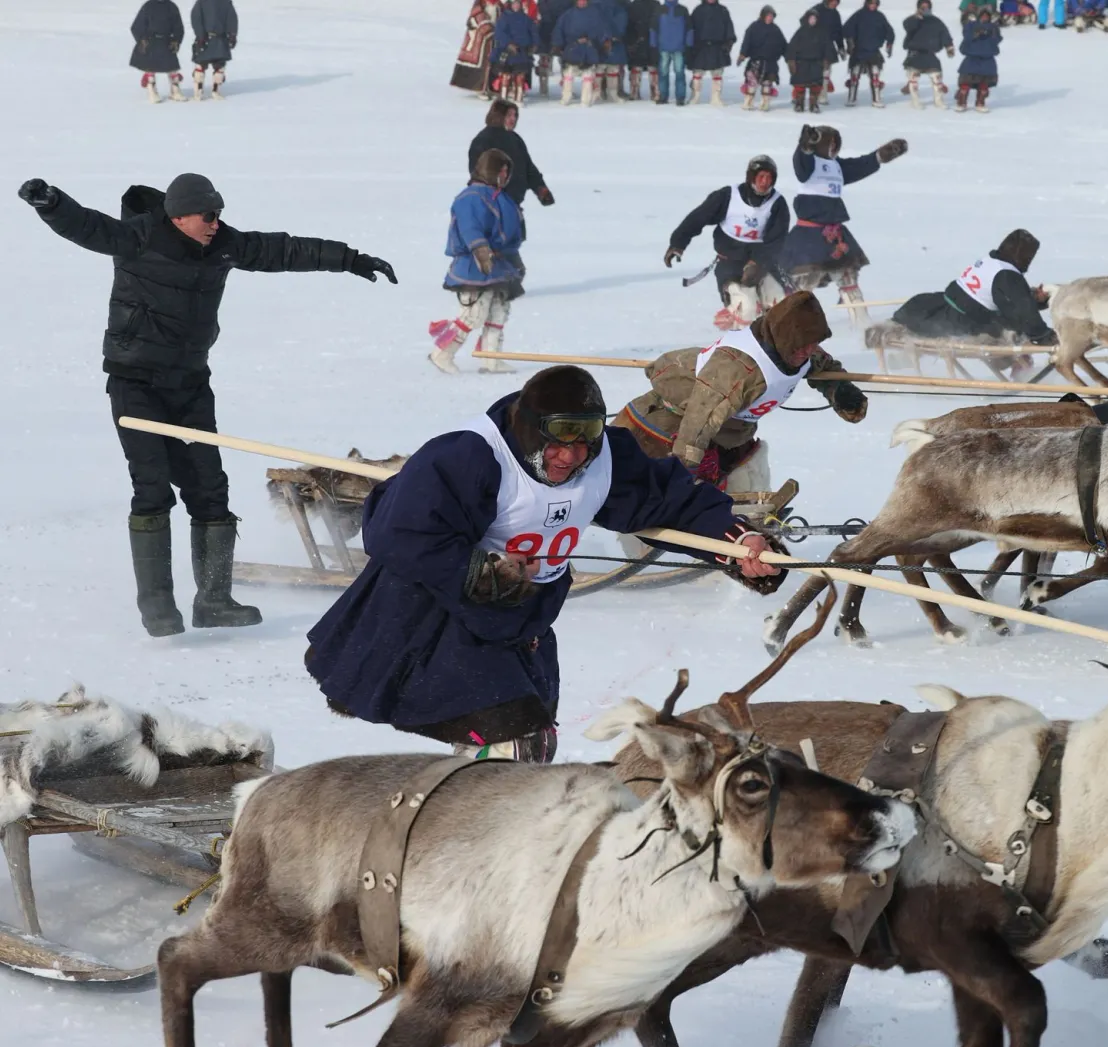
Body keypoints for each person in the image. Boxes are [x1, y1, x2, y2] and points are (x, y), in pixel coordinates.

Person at [306, 365, 784, 763]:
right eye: (557, 440)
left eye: (586, 439)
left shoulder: (606, 459)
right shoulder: (469, 456)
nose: (571, 456)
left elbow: (672, 502)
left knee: (530, 750)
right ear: (531, 426)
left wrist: (738, 543)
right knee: (513, 746)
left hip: (523, 622)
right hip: (439, 619)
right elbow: (397, 531)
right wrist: (482, 572)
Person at [18, 174, 395, 637]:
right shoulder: (137, 237)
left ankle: (213, 599)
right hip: (135, 383)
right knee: (152, 487)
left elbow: (284, 250)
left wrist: (351, 259)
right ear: (178, 217)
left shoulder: (223, 245)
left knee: (209, 488)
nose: (216, 223)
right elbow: (85, 226)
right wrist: (51, 203)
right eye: (208, 216)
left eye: (219, 214)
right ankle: (157, 604)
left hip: (190, 384)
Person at [613, 291, 865, 495]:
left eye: (813, 344)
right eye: (802, 345)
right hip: (672, 422)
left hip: (729, 432)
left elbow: (823, 365)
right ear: (784, 338)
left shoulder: (799, 352)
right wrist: (683, 475)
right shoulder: (737, 370)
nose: (809, 351)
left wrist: (841, 391)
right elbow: (699, 421)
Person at [779, 125, 907, 322]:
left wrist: (879, 156)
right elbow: (800, 161)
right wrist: (804, 145)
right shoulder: (809, 164)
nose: (832, 147)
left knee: (848, 277)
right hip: (809, 235)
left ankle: (862, 324)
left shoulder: (837, 166)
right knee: (804, 282)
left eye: (835, 143)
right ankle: (785, 325)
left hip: (835, 234)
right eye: (827, 143)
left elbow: (860, 165)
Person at [667, 156, 792, 330]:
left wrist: (757, 263)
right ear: (751, 177)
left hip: (762, 264)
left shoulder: (777, 203)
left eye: (769, 178)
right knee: (747, 307)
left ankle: (776, 350)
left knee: (780, 303)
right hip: (730, 263)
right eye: (761, 177)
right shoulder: (727, 197)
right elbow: (698, 218)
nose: (765, 182)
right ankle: (742, 345)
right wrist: (678, 243)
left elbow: (776, 240)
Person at [431, 150, 525, 375]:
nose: (504, 175)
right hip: (474, 265)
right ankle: (442, 353)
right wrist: (481, 250)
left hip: (500, 266)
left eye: (506, 171)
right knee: (474, 313)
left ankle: (491, 357)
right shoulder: (471, 197)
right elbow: (470, 227)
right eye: (500, 170)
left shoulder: (500, 196)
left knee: (499, 311)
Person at [891, 229, 1056, 347]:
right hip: (965, 322)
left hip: (942, 307)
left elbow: (1008, 298)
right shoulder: (1008, 275)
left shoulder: (990, 261)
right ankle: (1019, 366)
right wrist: (1044, 335)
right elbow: (1021, 309)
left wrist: (1035, 301)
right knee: (1013, 329)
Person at [469, 100, 554, 237]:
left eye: (515, 115)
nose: (513, 119)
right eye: (509, 115)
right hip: (491, 209)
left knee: (511, 249)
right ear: (498, 115)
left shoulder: (515, 139)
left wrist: (541, 189)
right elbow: (477, 174)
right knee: (500, 253)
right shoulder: (483, 140)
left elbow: (529, 169)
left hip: (513, 206)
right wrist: (493, 197)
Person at [553, 0, 609, 105]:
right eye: (580, 0)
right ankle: (566, 97)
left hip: (589, 48)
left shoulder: (595, 14)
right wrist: (558, 44)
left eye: (584, 0)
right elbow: (559, 29)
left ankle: (586, 100)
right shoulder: (568, 14)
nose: (582, 2)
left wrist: (601, 43)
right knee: (568, 74)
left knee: (588, 74)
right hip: (572, 48)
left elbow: (602, 31)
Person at [899, 0, 952, 110]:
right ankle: (915, 101)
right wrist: (916, 17)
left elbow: (944, 33)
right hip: (915, 54)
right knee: (914, 79)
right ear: (918, 7)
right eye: (922, 7)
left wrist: (949, 46)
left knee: (937, 77)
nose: (925, 9)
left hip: (930, 54)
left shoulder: (936, 21)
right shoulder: (913, 20)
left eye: (927, 7)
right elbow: (906, 25)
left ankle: (939, 101)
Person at [131, 0, 186, 104]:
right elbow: (137, 26)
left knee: (172, 69)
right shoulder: (148, 6)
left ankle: (175, 91)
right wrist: (141, 39)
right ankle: (152, 91)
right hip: (150, 42)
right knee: (150, 69)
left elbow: (178, 26)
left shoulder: (172, 6)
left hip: (167, 42)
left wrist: (176, 40)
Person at [843, 0, 893, 107]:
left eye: (875, 4)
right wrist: (850, 42)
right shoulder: (859, 15)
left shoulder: (879, 16)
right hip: (859, 50)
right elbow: (847, 28)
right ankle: (851, 98)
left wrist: (889, 43)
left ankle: (877, 99)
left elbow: (889, 31)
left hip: (874, 50)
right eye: (871, 3)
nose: (873, 5)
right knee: (854, 76)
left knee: (875, 76)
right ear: (867, 4)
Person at [688, 0, 737, 106]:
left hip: (718, 46)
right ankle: (695, 97)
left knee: (717, 73)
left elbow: (729, 27)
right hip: (701, 46)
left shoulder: (723, 10)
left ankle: (716, 98)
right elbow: (691, 28)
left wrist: (729, 42)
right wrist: (690, 45)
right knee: (697, 73)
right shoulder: (698, 10)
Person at [490, 0, 540, 102]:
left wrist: (535, 44)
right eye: (514, 4)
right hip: (506, 52)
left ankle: (519, 99)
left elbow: (533, 32)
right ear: (510, 5)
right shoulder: (504, 18)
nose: (516, 6)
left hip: (522, 52)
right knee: (505, 76)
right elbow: (499, 34)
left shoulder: (526, 19)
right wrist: (508, 44)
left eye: (518, 3)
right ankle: (503, 100)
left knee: (520, 77)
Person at [738, 5, 786, 111]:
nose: (770, 18)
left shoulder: (776, 30)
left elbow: (783, 45)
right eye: (768, 16)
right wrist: (742, 54)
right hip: (755, 61)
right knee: (751, 83)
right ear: (763, 15)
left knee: (767, 84)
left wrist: (789, 58)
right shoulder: (754, 27)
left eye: (772, 16)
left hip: (770, 62)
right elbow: (747, 42)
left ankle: (765, 104)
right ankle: (748, 102)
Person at [188, 0, 236, 101]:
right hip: (207, 39)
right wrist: (200, 35)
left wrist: (232, 34)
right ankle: (199, 92)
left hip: (218, 39)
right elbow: (196, 18)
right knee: (201, 68)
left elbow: (231, 19)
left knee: (218, 68)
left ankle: (215, 91)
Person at [787, 9, 833, 112]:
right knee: (800, 85)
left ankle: (814, 104)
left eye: (815, 18)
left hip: (816, 63)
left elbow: (828, 47)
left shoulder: (822, 33)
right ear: (807, 19)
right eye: (811, 18)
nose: (813, 20)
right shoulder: (800, 32)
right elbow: (792, 47)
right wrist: (791, 61)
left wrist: (827, 59)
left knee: (816, 85)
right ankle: (799, 103)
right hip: (801, 63)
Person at [955, 8, 998, 113]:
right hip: (972, 58)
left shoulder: (993, 27)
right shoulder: (971, 25)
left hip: (987, 59)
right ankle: (961, 101)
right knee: (965, 83)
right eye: (983, 16)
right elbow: (966, 38)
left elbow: (997, 39)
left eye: (987, 16)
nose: (985, 18)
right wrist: (976, 32)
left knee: (984, 84)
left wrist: (992, 30)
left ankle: (980, 102)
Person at [653, 0, 692, 104]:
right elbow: (653, 28)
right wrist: (653, 44)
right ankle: (663, 96)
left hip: (679, 48)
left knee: (679, 73)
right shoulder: (659, 10)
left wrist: (689, 44)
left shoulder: (683, 10)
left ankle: (680, 97)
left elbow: (689, 28)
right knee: (663, 73)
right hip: (663, 47)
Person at [592, 0, 629, 101]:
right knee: (598, 67)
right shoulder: (593, 6)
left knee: (613, 67)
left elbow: (622, 20)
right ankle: (597, 91)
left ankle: (613, 92)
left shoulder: (619, 7)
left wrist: (613, 35)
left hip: (614, 40)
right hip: (598, 41)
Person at [806, 0, 846, 93]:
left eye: (836, 2)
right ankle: (799, 96)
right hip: (814, 45)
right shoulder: (816, 10)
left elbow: (838, 32)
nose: (834, 4)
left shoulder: (835, 14)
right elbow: (804, 24)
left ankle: (823, 94)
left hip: (828, 46)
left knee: (826, 71)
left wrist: (841, 47)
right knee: (810, 72)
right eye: (833, 1)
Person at [625, 0, 661, 102]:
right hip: (637, 40)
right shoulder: (633, 5)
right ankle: (634, 92)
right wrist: (631, 41)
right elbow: (629, 25)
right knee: (636, 68)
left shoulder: (656, 4)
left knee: (653, 66)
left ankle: (655, 92)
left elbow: (659, 23)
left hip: (652, 41)